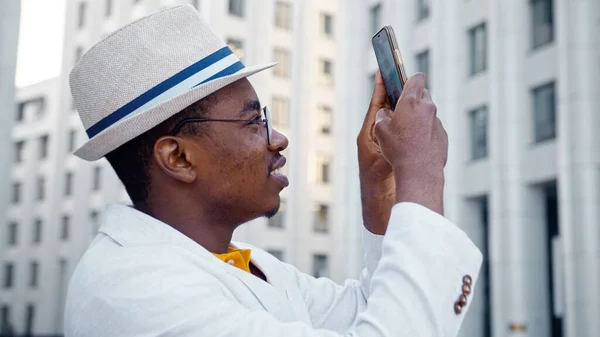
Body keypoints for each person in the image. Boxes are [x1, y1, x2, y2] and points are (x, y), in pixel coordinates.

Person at [64, 5, 482, 337]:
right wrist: (421, 172)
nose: (277, 138)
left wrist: (383, 190)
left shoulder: (237, 264)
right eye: (252, 121)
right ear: (178, 158)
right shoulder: (138, 292)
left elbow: (369, 314)